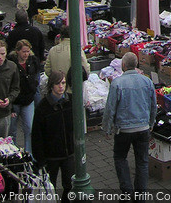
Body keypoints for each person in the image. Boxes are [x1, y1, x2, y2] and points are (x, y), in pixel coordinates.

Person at [102, 52, 157, 194]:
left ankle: (127, 191)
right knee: (142, 162)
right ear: (136, 64)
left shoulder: (117, 83)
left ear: (123, 65)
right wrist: (151, 123)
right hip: (143, 128)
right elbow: (153, 106)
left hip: (124, 130)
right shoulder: (147, 82)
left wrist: (107, 129)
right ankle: (141, 195)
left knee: (120, 158)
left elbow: (110, 108)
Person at [31, 71, 74, 200]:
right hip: (51, 157)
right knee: (50, 187)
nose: (61, 86)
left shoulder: (71, 101)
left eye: (63, 83)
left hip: (69, 154)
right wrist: (40, 160)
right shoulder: (42, 108)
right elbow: (37, 136)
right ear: (51, 85)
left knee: (69, 186)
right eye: (57, 83)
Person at [8, 39, 40, 152]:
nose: (26, 54)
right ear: (17, 51)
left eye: (28, 51)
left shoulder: (33, 61)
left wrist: (34, 87)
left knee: (29, 129)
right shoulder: (11, 64)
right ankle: (12, 152)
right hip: (15, 102)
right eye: (23, 51)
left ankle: (28, 154)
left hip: (28, 100)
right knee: (12, 131)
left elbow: (36, 77)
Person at [44, 25, 90, 93]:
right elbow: (86, 70)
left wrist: (57, 81)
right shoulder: (77, 50)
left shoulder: (53, 50)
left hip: (56, 91)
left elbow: (47, 70)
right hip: (73, 91)